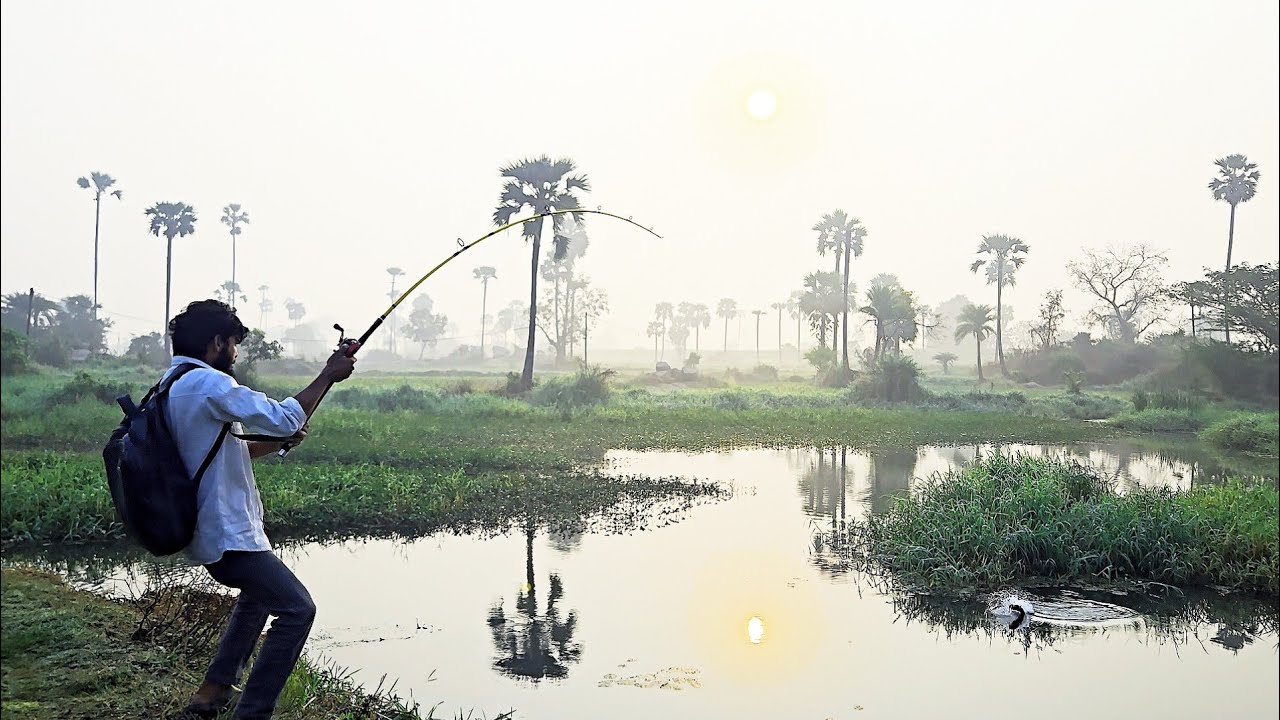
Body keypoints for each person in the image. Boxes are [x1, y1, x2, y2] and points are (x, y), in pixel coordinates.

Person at [163, 300, 356, 719]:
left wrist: (278, 442)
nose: (235, 353)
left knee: (256, 599)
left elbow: (226, 452)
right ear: (218, 342)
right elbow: (286, 417)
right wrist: (327, 375)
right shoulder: (209, 385)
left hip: (210, 527)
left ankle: (210, 694)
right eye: (233, 344)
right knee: (297, 609)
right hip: (224, 530)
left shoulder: (171, 383)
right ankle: (251, 713)